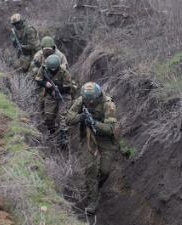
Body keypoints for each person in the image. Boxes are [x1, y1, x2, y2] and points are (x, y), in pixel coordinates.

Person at [66, 82, 122, 215]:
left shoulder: (108, 104)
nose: (90, 101)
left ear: (98, 96)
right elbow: (68, 119)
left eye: (92, 99)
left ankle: (94, 187)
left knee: (105, 170)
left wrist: (94, 123)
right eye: (87, 99)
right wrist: (81, 117)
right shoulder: (81, 100)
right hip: (89, 136)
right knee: (90, 166)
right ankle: (93, 200)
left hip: (106, 138)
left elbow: (109, 129)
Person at [35, 54, 73, 146]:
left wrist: (57, 89)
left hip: (63, 95)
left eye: (54, 68)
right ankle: (51, 132)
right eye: (51, 68)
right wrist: (45, 84)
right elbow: (38, 80)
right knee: (48, 116)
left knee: (63, 115)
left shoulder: (65, 73)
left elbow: (68, 88)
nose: (52, 69)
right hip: (50, 95)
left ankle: (63, 137)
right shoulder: (43, 69)